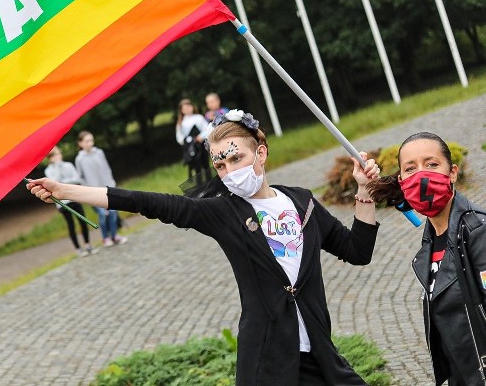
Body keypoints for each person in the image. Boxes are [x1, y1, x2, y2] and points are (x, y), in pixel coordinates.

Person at [29, 110, 380, 385]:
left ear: (261, 152)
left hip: (319, 352)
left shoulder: (301, 202)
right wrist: (67, 191)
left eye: (236, 159)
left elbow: (357, 251)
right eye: (220, 164)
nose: (228, 172)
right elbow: (151, 202)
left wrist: (364, 189)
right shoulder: (222, 212)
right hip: (267, 362)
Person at [367, 132, 483, 386]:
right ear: (402, 181)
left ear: (452, 172)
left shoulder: (478, 232)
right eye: (411, 169)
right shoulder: (430, 244)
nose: (421, 175)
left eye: (431, 164)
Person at [74, 130, 127, 247]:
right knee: (103, 214)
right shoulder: (79, 159)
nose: (90, 143)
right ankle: (105, 238)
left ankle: (114, 236)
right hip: (93, 192)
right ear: (80, 143)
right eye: (87, 141)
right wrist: (86, 191)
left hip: (108, 189)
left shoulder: (99, 153)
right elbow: (80, 177)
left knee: (113, 212)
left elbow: (107, 169)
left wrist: (112, 183)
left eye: (91, 140)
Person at [45, 145, 97, 257]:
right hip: (62, 203)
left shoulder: (68, 165)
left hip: (74, 198)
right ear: (50, 158)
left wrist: (64, 182)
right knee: (71, 225)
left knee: (83, 221)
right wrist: (57, 168)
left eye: (59, 154)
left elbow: (76, 178)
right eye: (55, 155)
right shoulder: (49, 171)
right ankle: (78, 249)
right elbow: (55, 183)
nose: (58, 157)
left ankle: (88, 245)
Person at [176, 98, 211, 183]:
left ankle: (210, 182)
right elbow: (179, 136)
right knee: (195, 166)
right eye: (184, 108)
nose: (187, 109)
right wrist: (187, 142)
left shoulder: (199, 117)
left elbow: (207, 129)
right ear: (181, 110)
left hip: (201, 145)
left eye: (188, 107)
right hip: (191, 148)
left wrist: (201, 137)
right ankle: (199, 185)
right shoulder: (181, 122)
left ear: (192, 107)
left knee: (205, 163)